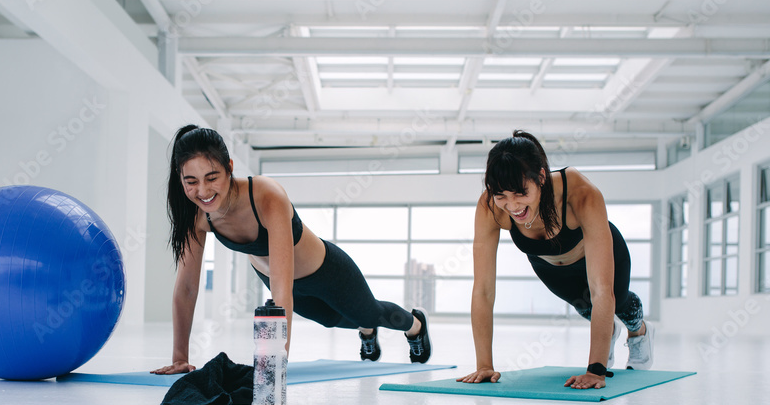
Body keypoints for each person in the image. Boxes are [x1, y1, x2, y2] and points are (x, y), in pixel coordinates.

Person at [152, 125, 432, 375]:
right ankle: (365, 329)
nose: (203, 191)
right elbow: (187, 287)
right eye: (191, 182)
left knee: (370, 313)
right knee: (330, 320)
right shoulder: (197, 217)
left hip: (325, 271)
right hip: (277, 279)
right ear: (180, 178)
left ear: (230, 167)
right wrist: (180, 359)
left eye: (212, 177)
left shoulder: (266, 195)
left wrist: (275, 363)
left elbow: (281, 290)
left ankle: (415, 325)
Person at [459, 130, 654, 390]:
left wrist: (596, 370)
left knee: (617, 301)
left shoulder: (581, 194)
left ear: (540, 177)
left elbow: (601, 290)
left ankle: (638, 331)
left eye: (520, 193)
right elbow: (483, 290)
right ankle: (607, 332)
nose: (512, 205)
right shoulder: (490, 207)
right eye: (501, 195)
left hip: (600, 253)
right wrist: (484, 365)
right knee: (585, 308)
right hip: (551, 267)